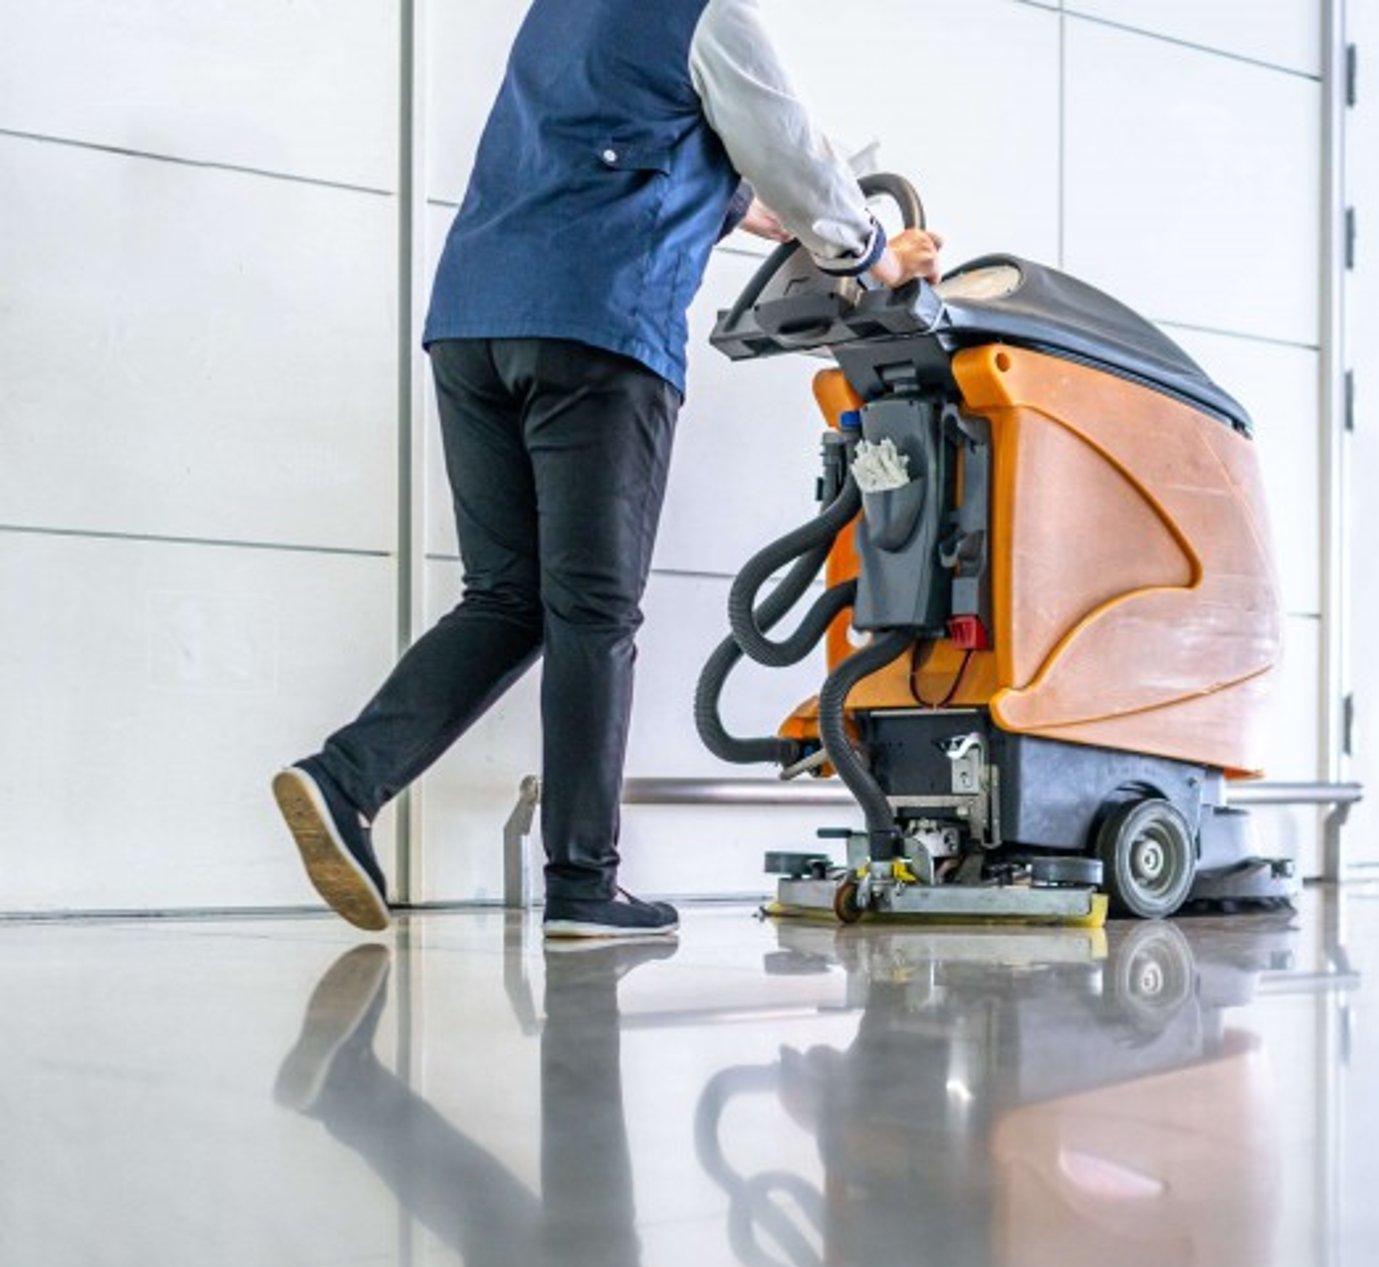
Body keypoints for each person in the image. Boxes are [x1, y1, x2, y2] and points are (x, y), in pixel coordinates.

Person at [271, 0, 944, 940]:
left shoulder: (559, 16)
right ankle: (583, 887)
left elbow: (637, 149)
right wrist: (873, 253)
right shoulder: (705, 15)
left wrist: (763, 215)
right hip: (595, 328)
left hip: (473, 320)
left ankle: (342, 780)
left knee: (507, 598)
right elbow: (792, 153)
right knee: (593, 612)